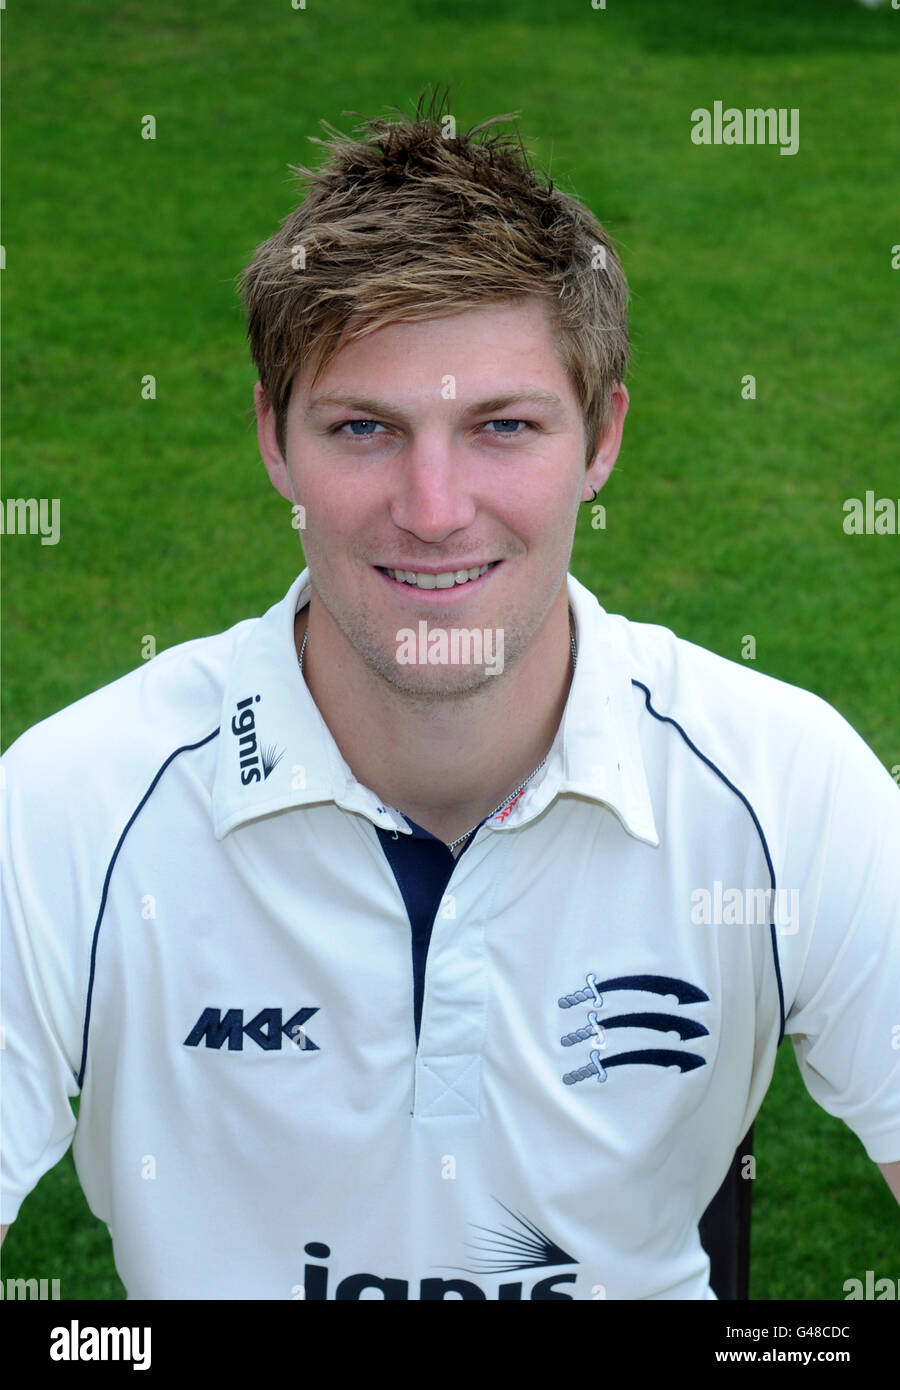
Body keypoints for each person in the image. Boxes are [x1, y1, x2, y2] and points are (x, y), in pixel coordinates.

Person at [1, 92, 898, 1301]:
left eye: (503, 425)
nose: (432, 507)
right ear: (275, 439)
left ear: (600, 441)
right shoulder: (68, 809)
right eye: (364, 426)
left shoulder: (786, 784)